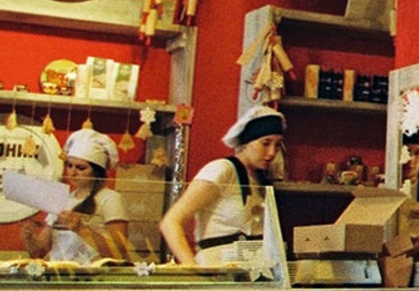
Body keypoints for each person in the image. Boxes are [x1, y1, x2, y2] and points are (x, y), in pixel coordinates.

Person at [160, 106, 285, 265]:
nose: (272, 152)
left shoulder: (261, 179)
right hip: (217, 269)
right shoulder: (221, 169)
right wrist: (193, 269)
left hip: (252, 271)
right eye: (265, 143)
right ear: (246, 142)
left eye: (277, 145)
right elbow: (170, 222)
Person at [20, 128, 130, 263]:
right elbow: (39, 253)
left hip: (92, 273)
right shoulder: (62, 199)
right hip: (60, 272)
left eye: (80, 168)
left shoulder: (110, 199)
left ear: (97, 171)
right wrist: (29, 238)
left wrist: (81, 229)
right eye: (69, 166)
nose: (72, 173)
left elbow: (119, 252)